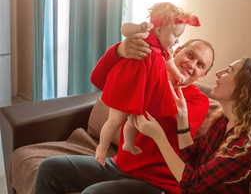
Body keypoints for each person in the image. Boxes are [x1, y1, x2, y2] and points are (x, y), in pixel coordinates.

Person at [34, 39, 215, 192]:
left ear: (202, 76)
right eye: (190, 55)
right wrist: (120, 51)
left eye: (200, 65)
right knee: (49, 168)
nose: (191, 65)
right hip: (119, 164)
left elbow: (161, 108)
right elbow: (99, 79)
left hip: (155, 183)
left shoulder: (198, 101)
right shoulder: (146, 73)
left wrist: (156, 65)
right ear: (176, 51)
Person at [134, 58, 251, 194]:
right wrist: (182, 119)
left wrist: (159, 137)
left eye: (229, 71)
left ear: (241, 92)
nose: (218, 73)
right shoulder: (223, 121)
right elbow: (193, 159)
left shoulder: (247, 146)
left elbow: (194, 183)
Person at [95, 2, 201, 164]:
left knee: (133, 120)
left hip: (141, 91)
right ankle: (102, 148)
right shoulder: (146, 36)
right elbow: (125, 30)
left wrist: (177, 74)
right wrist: (138, 28)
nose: (177, 41)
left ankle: (129, 145)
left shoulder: (165, 51)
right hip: (126, 85)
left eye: (179, 37)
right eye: (175, 35)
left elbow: (169, 62)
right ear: (158, 30)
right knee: (115, 120)